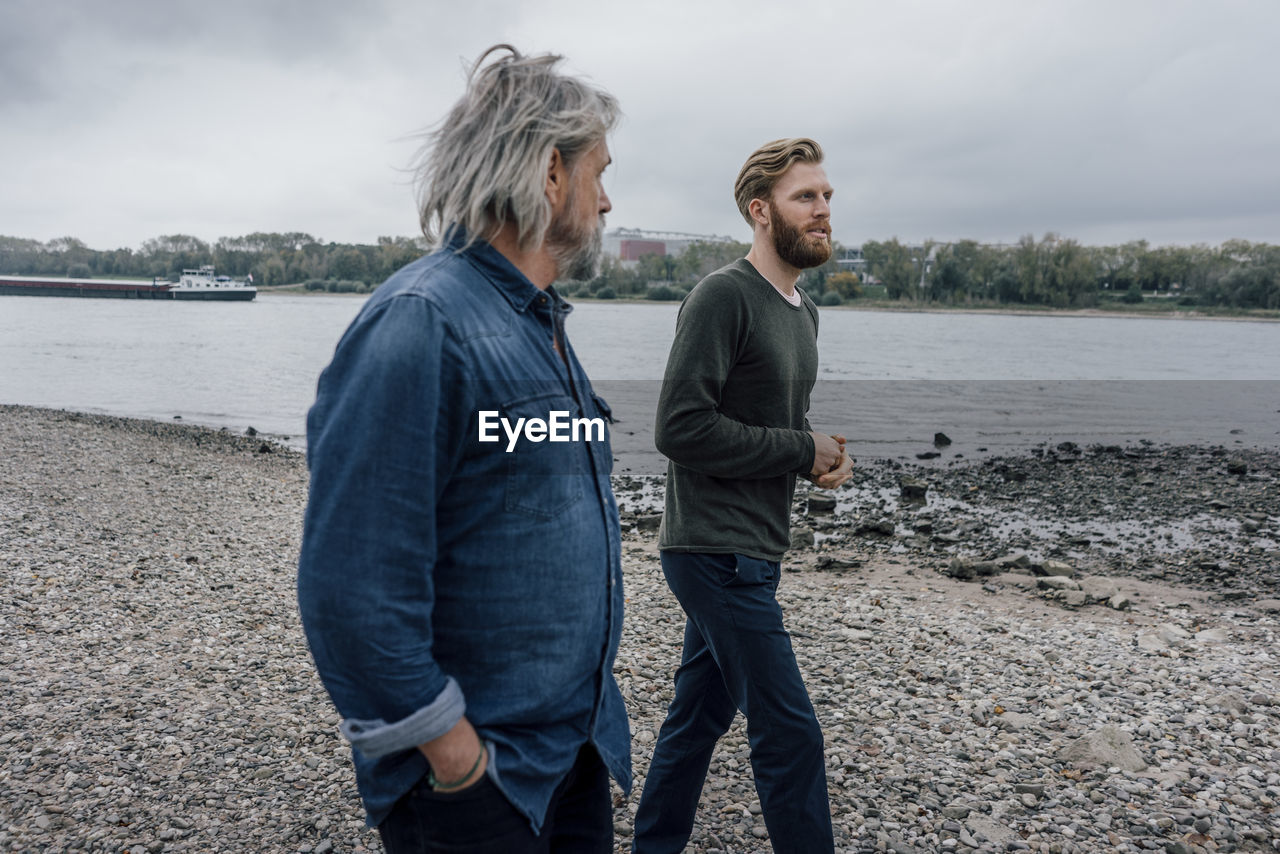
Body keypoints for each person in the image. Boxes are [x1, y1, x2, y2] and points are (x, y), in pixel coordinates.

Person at [296, 45, 630, 854]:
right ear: (551, 173)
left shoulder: (538, 323)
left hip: (573, 751)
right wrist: (454, 757)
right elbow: (350, 588)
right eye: (599, 173)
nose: (608, 200)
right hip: (479, 779)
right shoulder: (422, 323)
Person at [632, 138, 853, 854]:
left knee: (696, 721)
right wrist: (797, 449)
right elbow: (679, 427)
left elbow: (768, 425)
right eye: (804, 198)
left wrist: (816, 454)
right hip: (712, 550)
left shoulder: (803, 313)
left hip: (755, 548)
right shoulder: (723, 295)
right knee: (790, 732)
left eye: (825, 197)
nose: (822, 211)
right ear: (761, 211)